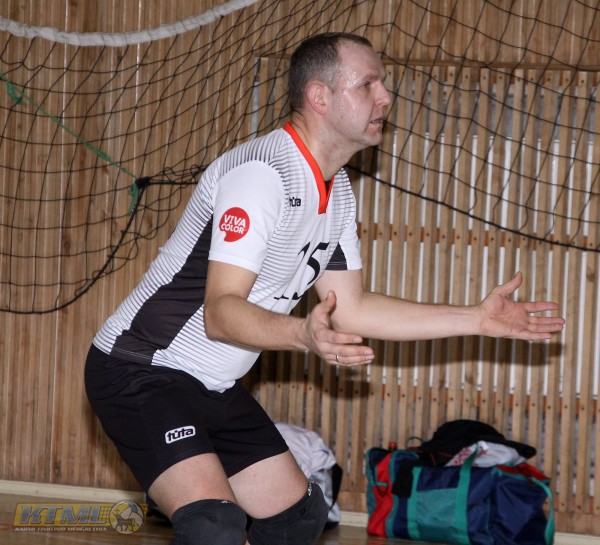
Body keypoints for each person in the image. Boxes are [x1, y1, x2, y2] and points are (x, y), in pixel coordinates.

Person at [85, 32, 565, 545]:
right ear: (319, 97)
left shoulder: (337, 195)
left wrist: (476, 318)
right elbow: (220, 314)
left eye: (382, 85)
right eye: (368, 85)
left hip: (212, 386)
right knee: (214, 526)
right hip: (141, 369)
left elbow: (352, 310)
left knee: (299, 518)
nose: (386, 97)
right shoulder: (262, 174)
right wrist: (303, 335)